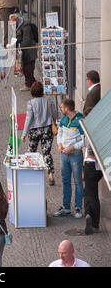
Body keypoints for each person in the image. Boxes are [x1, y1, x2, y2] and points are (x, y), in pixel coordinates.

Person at [53, 99, 84, 219]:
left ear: (67, 109)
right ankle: (66, 207)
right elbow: (59, 133)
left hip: (75, 155)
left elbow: (84, 140)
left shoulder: (80, 121)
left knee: (77, 182)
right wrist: (59, 144)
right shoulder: (64, 119)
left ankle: (77, 207)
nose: (61, 109)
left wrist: (72, 148)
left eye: (62, 107)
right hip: (63, 154)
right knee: (65, 181)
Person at [21, 82, 57, 185]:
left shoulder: (31, 103)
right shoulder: (49, 100)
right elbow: (54, 114)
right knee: (46, 152)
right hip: (47, 129)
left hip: (35, 130)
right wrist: (53, 122)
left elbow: (28, 119)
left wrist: (24, 134)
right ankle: (50, 174)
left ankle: (29, 172)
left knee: (32, 150)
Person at [82, 70, 102, 235]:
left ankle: (90, 216)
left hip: (91, 164)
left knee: (90, 193)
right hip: (99, 166)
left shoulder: (90, 132)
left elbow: (89, 149)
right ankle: (92, 217)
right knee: (91, 191)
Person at [9, 12, 37, 90]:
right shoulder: (18, 26)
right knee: (25, 69)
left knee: (28, 69)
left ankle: (30, 85)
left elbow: (27, 42)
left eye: (13, 22)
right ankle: (33, 84)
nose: (12, 24)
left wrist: (17, 45)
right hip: (24, 52)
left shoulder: (26, 27)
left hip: (29, 52)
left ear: (17, 20)